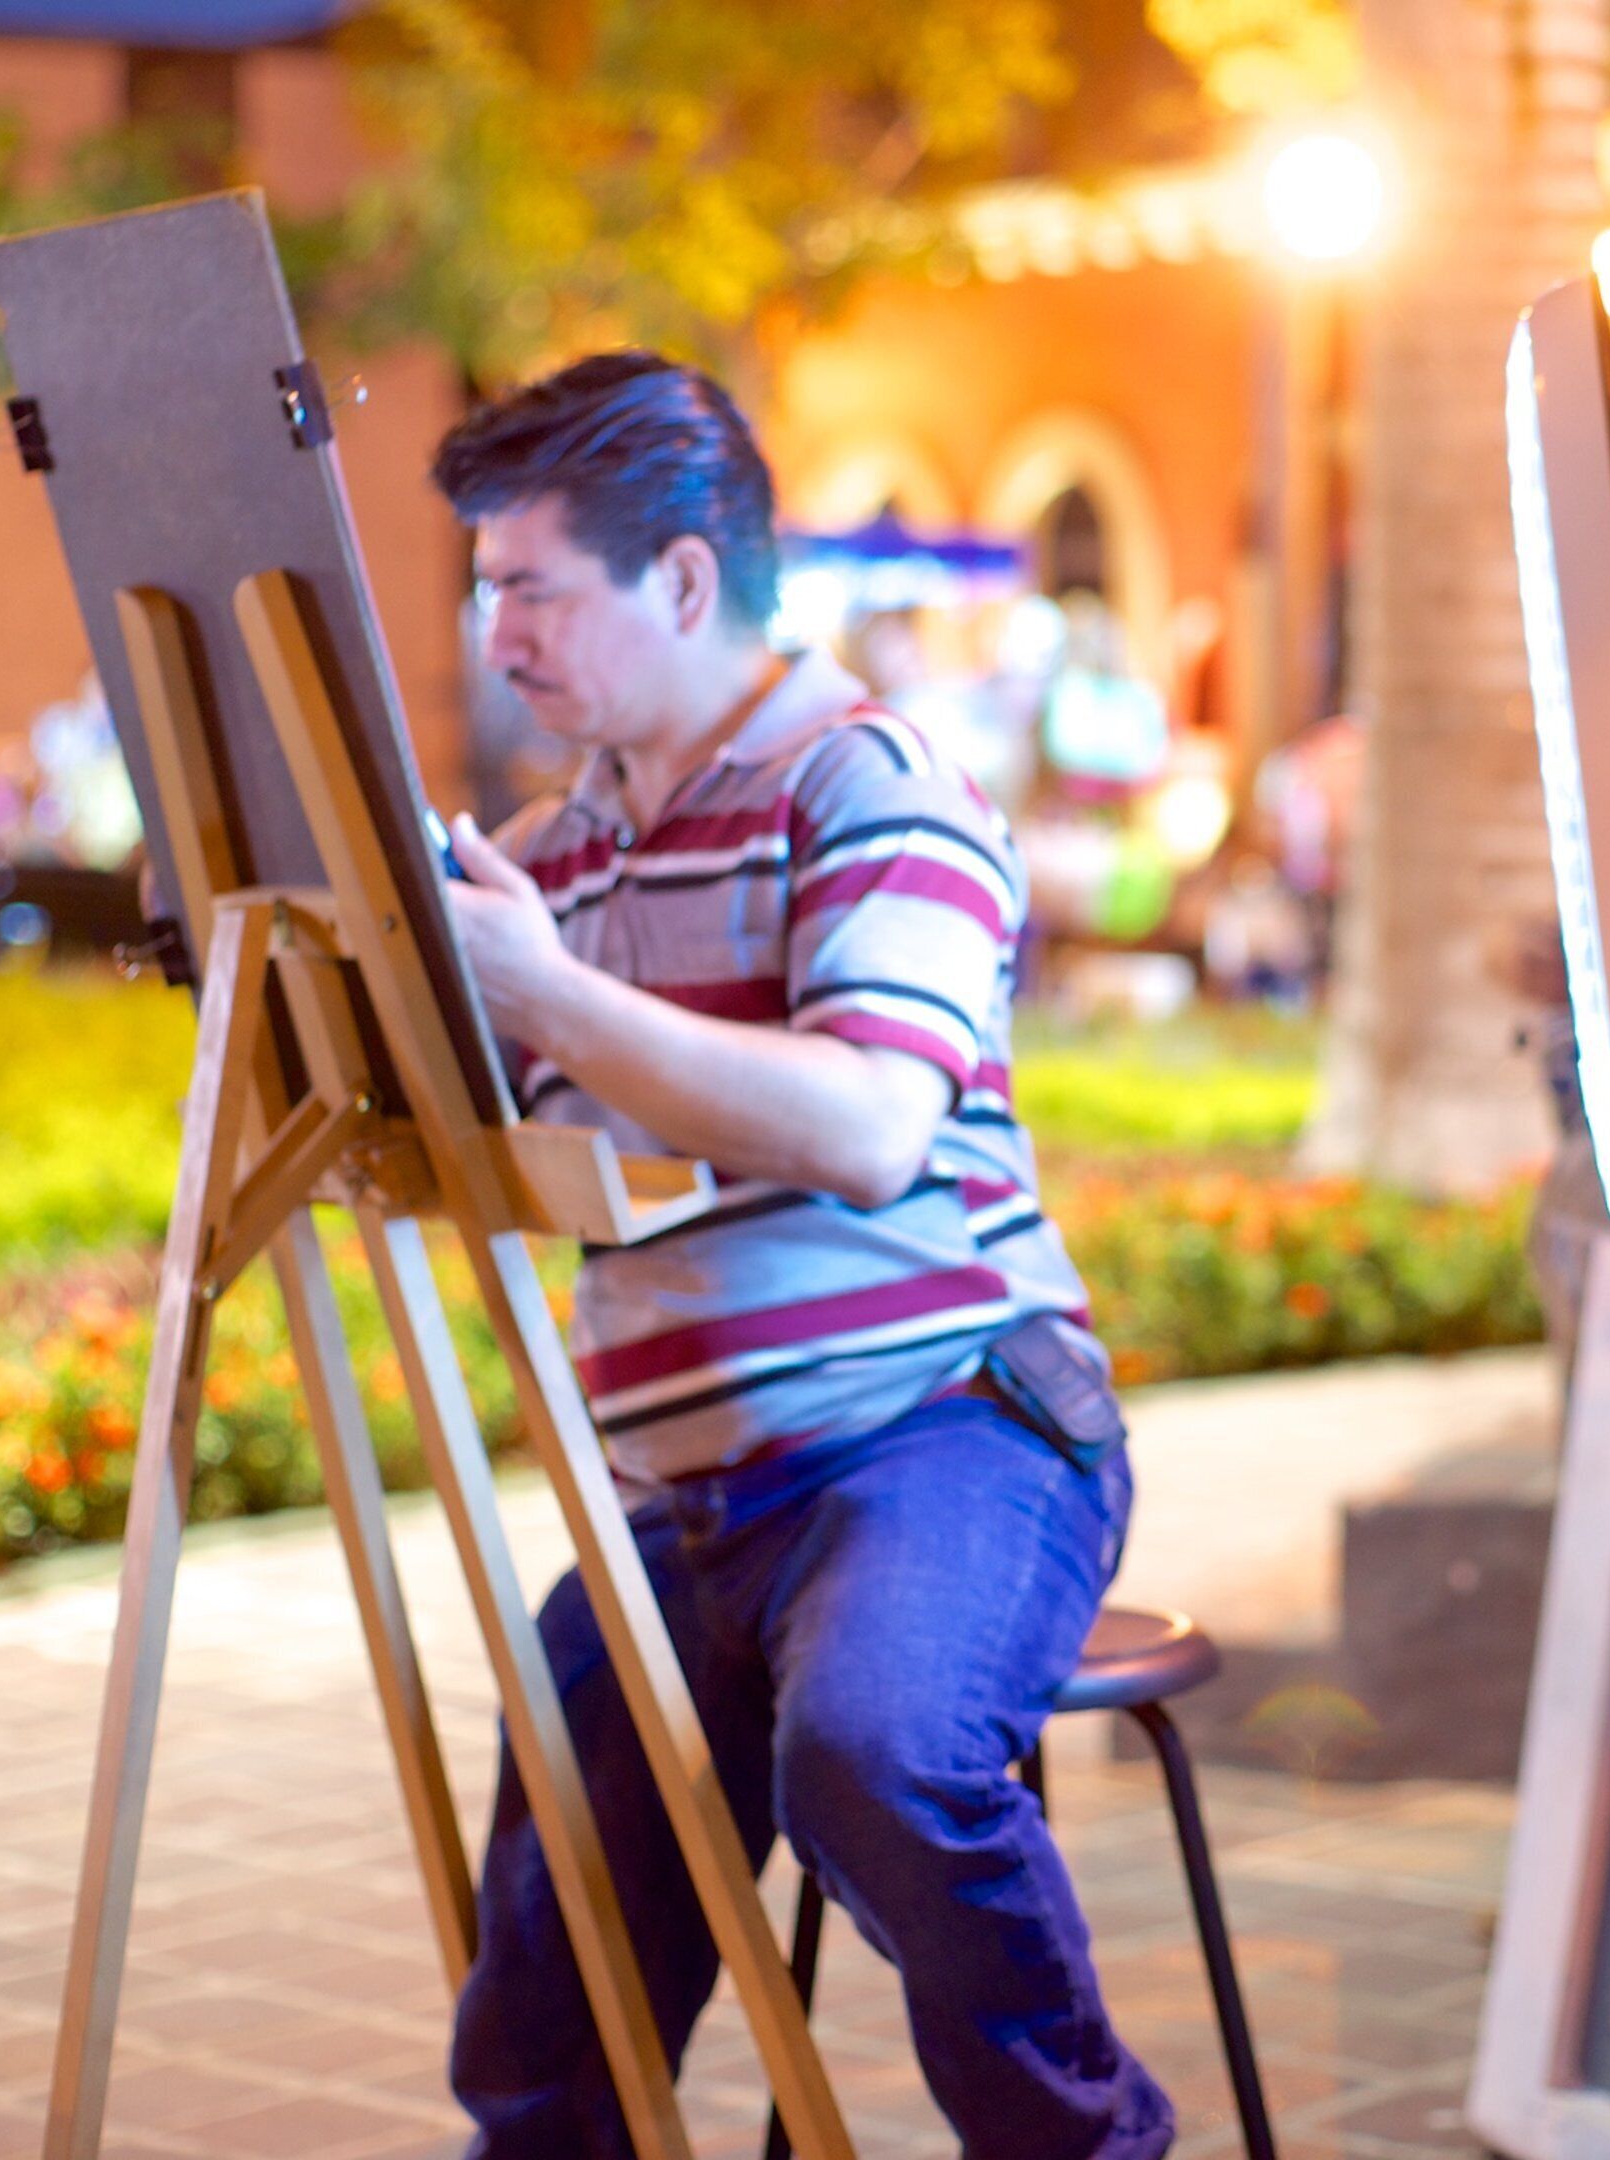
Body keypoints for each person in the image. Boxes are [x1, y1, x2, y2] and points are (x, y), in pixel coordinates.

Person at [422, 352, 1168, 2159]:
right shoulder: (549, 863)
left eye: (533, 588)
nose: (496, 634)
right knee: (553, 1924)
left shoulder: (874, 780)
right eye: (486, 587)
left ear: (684, 580)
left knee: (874, 1751)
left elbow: (866, 1127)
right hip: (689, 1500)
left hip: (952, 1429)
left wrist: (550, 997)